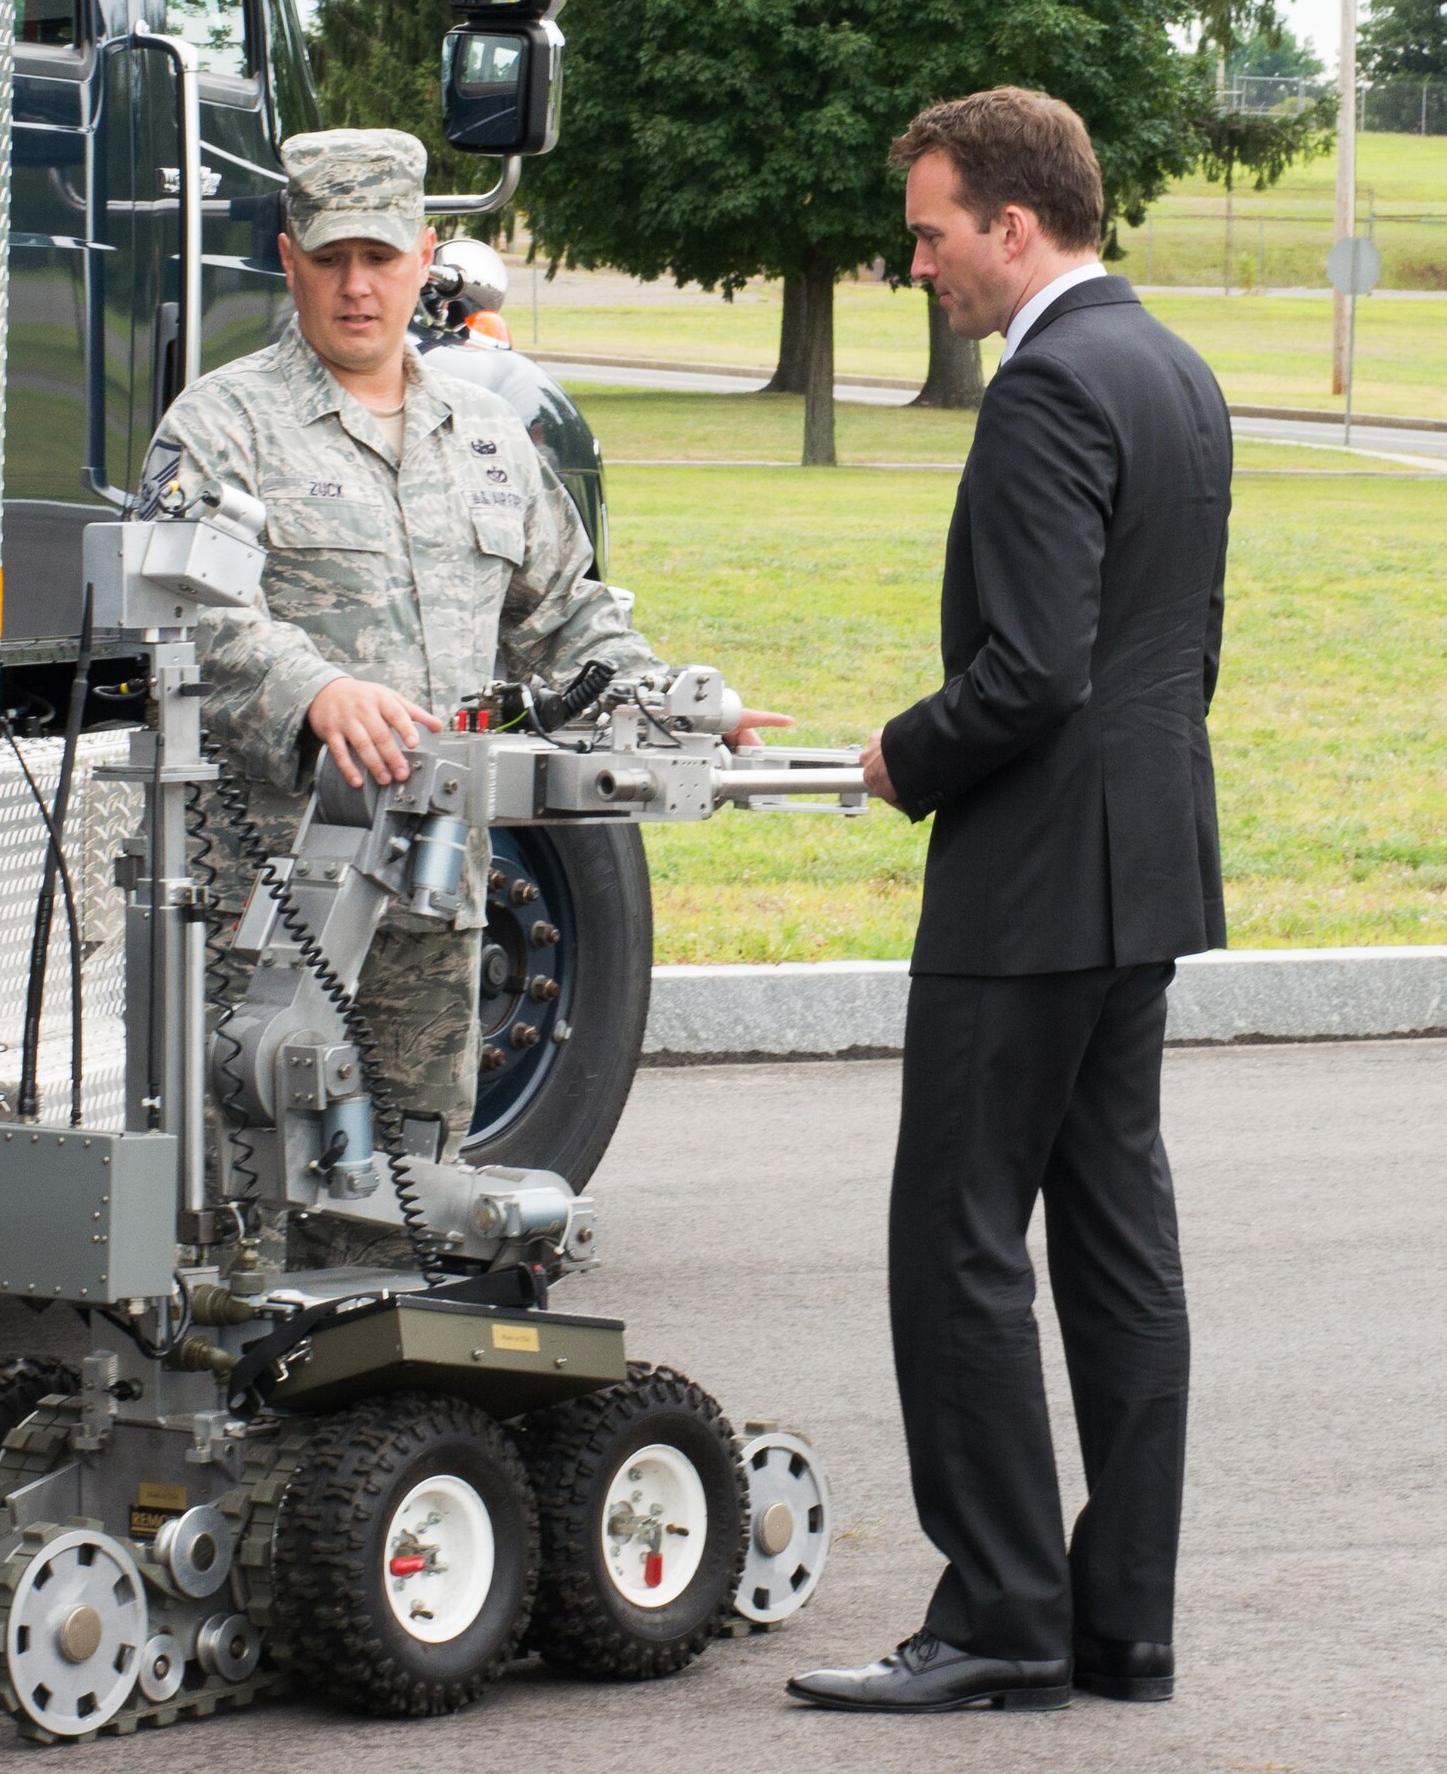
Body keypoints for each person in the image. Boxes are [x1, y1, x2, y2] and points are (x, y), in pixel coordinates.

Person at [139, 128, 780, 1267]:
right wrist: (316, 687)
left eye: (380, 256)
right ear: (288, 257)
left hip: (432, 908)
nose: (355, 285)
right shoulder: (219, 427)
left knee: (409, 1203)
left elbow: (561, 614)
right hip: (270, 914)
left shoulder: (485, 437)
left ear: (423, 255)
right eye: (330, 256)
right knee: (248, 1234)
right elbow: (185, 619)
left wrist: (678, 702)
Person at [788, 89, 1231, 1716]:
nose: (915, 262)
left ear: (1012, 227)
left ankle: (997, 1616)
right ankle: (1118, 1622)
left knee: (955, 1239)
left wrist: (904, 753)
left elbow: (1035, 670)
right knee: (1118, 1248)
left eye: (928, 230)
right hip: (1144, 873)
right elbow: (1169, 652)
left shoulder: (1045, 389)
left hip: (1027, 881)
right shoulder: (1176, 374)